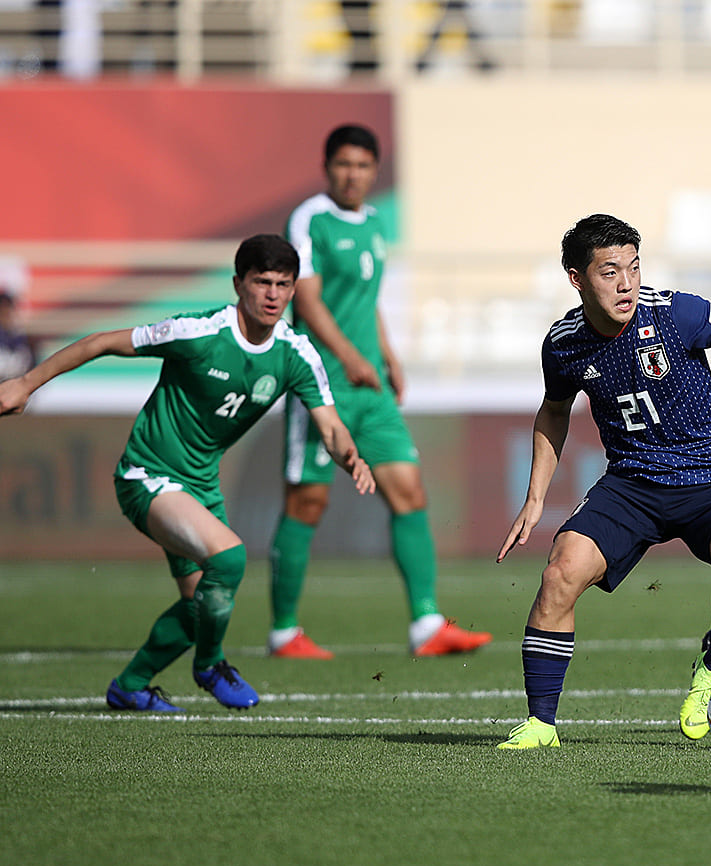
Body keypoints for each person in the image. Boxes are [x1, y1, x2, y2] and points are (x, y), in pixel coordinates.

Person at [494, 213, 711, 749]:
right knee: (560, 573)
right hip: (632, 484)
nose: (627, 283)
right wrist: (535, 496)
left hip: (710, 474)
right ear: (576, 278)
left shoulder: (677, 312)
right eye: (610, 272)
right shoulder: (563, 343)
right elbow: (554, 410)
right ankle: (542, 724)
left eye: (634, 267)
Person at [0, 235, 375, 712]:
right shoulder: (198, 333)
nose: (273, 295)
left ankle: (130, 686)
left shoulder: (297, 353)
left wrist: (350, 457)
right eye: (262, 282)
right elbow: (102, 342)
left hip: (200, 486)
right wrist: (26, 384)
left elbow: (331, 425)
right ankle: (210, 666)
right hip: (146, 474)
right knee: (231, 559)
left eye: (283, 284)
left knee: (203, 607)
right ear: (239, 284)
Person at [270, 123, 490, 660]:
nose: (354, 174)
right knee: (308, 501)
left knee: (410, 492)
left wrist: (387, 357)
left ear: (374, 171)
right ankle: (283, 632)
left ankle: (426, 624)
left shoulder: (372, 224)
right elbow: (309, 301)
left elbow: (365, 300)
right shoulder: (309, 219)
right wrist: (350, 358)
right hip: (320, 382)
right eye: (344, 164)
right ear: (327, 167)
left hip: (370, 389)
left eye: (364, 166)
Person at [0, 289, 37, 381]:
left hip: (17, 389)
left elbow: (32, 370)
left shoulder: (25, 340)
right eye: (2, 310)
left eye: (8, 309)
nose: (6, 314)